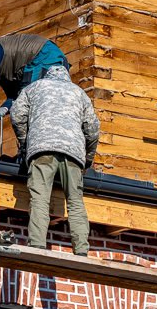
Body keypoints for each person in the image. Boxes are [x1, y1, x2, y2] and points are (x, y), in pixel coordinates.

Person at [9, 64, 100, 256]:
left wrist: (26, 143)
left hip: (42, 150)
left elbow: (17, 115)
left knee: (40, 199)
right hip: (74, 153)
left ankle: (37, 245)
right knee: (75, 202)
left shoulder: (34, 88)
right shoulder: (79, 93)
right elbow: (92, 128)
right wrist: (88, 158)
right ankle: (82, 249)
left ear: (47, 75)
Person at [0, 33, 69, 125]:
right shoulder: (3, 71)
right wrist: (5, 108)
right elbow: (15, 96)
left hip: (43, 55)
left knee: (30, 102)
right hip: (52, 59)